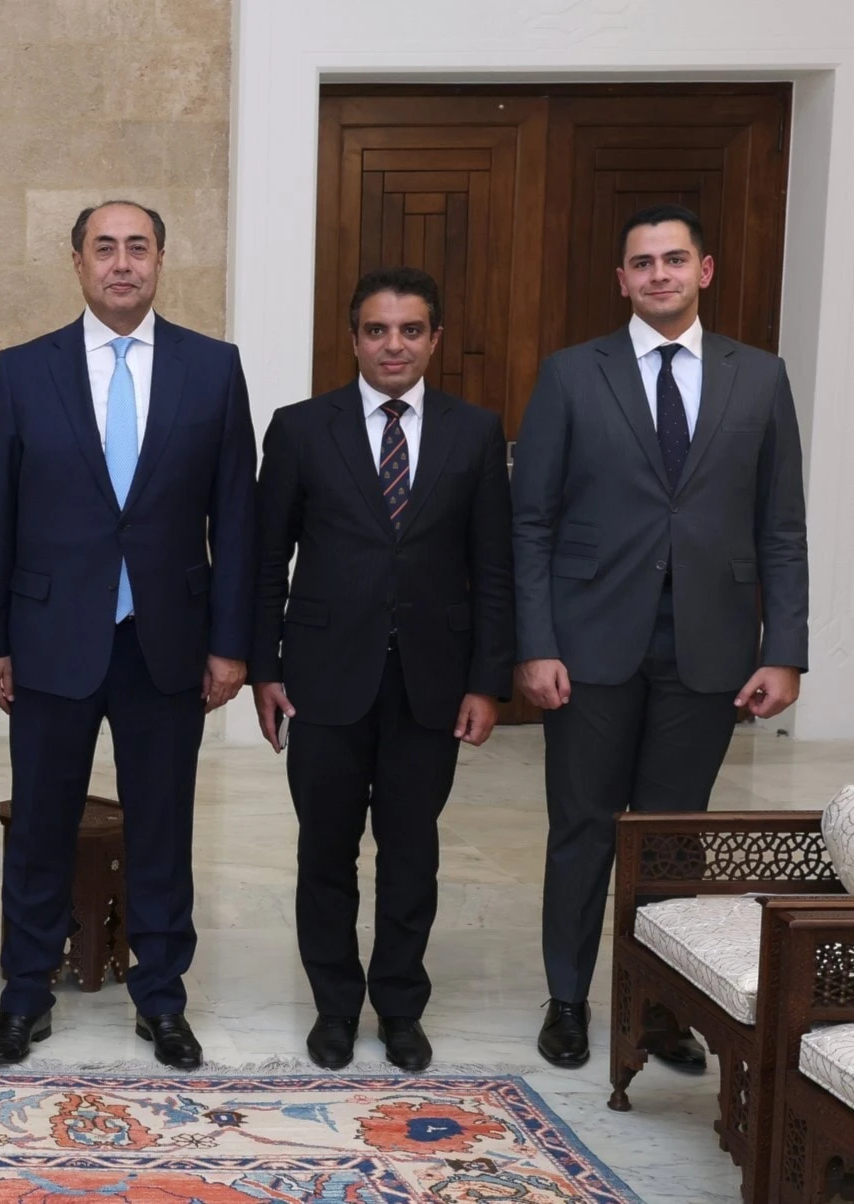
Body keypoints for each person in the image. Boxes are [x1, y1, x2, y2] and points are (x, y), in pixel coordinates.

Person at [514, 204, 808, 1069]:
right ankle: (568, 998)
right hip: (589, 641)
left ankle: (659, 1010)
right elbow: (529, 519)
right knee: (584, 827)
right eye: (641, 263)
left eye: (674, 260)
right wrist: (535, 642)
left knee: (676, 836)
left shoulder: (760, 378)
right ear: (622, 280)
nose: (659, 275)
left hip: (711, 647)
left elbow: (781, 524)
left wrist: (783, 646)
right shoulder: (573, 374)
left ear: (704, 270)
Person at [0, 200, 256, 1069]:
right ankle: (25, 995)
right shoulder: (25, 371)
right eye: (105, 248)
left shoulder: (213, 369)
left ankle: (161, 998)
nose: (122, 263)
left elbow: (235, 517)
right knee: (42, 826)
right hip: (52, 636)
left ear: (162, 261)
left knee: (164, 828)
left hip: (166, 640)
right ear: (77, 261)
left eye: (138, 248)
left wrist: (230, 642)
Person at [249, 267, 514, 1072]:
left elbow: (494, 568)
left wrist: (486, 680)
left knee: (412, 851)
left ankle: (400, 1005)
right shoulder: (300, 429)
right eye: (376, 330)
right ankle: (334, 1005)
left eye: (409, 331)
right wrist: (265, 669)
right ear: (354, 338)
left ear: (434, 339)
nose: (392, 345)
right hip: (323, 678)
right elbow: (266, 562)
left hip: (431, 682)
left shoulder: (475, 432)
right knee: (324, 850)